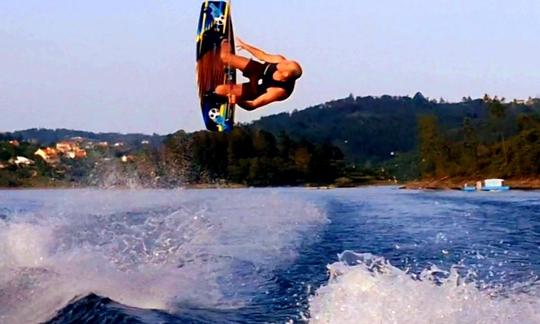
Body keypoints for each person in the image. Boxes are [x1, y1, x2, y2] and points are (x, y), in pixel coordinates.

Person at [215, 38, 303, 110]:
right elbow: (262, 55)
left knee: (219, 90)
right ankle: (223, 39)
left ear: (286, 74)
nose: (285, 61)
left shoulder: (279, 91)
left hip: (257, 90)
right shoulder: (280, 59)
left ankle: (222, 96)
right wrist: (245, 46)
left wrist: (238, 100)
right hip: (258, 71)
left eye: (287, 64)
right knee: (224, 57)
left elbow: (252, 105)